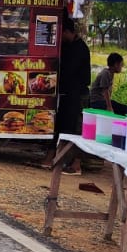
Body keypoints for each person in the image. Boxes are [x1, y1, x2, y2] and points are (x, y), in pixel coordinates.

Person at [49, 17, 91, 175]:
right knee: (62, 125)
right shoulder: (69, 46)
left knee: (74, 128)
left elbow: (68, 71)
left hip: (78, 94)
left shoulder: (80, 49)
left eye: (62, 33)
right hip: (68, 93)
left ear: (67, 31)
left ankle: (76, 164)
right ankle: (58, 158)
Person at [87, 51, 127, 117]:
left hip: (101, 101)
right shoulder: (106, 73)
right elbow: (105, 91)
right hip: (96, 102)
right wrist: (109, 107)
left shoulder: (110, 73)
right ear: (116, 64)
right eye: (121, 64)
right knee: (125, 109)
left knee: (122, 108)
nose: (122, 67)